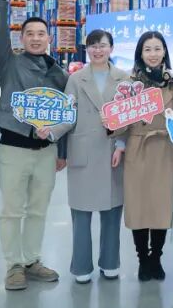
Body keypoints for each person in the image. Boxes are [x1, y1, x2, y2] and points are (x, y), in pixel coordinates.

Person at [0, 0, 69, 291]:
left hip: (46, 152)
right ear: (21, 38)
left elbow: (66, 114)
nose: (36, 38)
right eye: (30, 33)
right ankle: (13, 265)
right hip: (13, 148)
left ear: (49, 38)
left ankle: (32, 259)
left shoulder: (58, 72)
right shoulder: (9, 63)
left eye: (41, 33)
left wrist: (62, 151)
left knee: (38, 209)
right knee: (12, 211)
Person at [48, 30, 127, 284]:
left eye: (102, 45)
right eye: (92, 46)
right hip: (82, 151)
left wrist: (122, 144)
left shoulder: (124, 79)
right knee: (81, 213)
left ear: (111, 48)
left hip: (113, 151)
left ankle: (110, 262)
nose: (97, 50)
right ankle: (81, 265)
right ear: (87, 49)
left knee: (112, 210)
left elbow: (130, 118)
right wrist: (50, 131)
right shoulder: (75, 79)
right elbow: (67, 115)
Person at [115, 31, 173, 282]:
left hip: (165, 149)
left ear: (164, 52)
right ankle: (143, 259)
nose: (153, 54)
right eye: (147, 49)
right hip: (138, 147)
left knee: (161, 206)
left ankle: (156, 258)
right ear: (140, 53)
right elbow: (119, 122)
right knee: (139, 206)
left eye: (157, 48)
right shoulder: (129, 85)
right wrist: (117, 139)